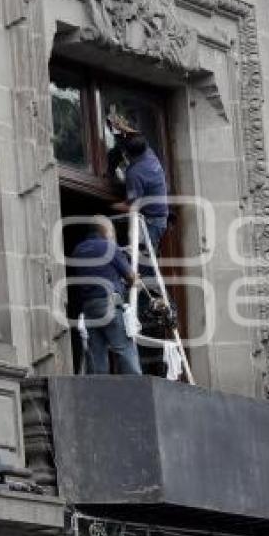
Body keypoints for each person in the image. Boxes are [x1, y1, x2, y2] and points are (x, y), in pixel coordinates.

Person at [70, 216, 141, 375]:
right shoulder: (109, 247)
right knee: (125, 349)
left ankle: (98, 391)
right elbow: (130, 276)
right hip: (109, 304)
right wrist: (134, 280)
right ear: (106, 231)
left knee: (96, 355)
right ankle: (137, 388)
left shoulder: (78, 250)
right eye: (112, 232)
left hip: (89, 308)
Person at [108, 115, 169, 252]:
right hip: (159, 218)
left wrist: (110, 205)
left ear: (127, 154)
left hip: (151, 223)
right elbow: (138, 135)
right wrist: (122, 127)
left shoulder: (135, 174)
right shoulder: (148, 153)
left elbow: (133, 207)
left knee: (141, 259)